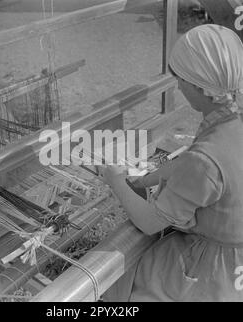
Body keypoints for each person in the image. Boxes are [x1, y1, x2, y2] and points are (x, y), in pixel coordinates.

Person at [101, 24, 243, 302]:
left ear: (200, 86)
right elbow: (219, 171)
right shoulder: (232, 123)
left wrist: (115, 180)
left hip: (211, 273)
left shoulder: (204, 159)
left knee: (129, 281)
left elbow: (149, 223)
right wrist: (146, 180)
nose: (177, 85)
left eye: (181, 78)